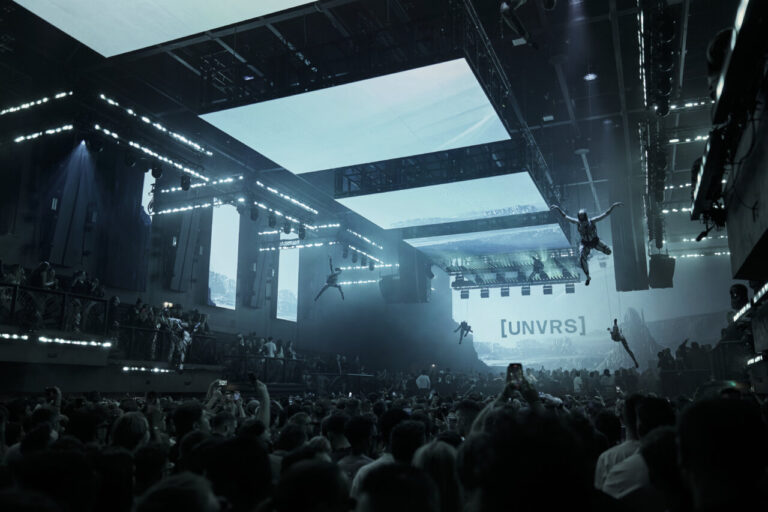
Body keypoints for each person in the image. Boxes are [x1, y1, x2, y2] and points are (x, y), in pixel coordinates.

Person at [550, 202, 623, 285]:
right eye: (580, 218)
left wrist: (613, 206)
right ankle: (588, 276)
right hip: (585, 244)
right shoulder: (578, 223)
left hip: (595, 241)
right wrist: (558, 209)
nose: (582, 221)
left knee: (608, 252)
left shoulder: (592, 221)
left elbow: (605, 214)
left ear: (585, 217)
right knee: (582, 258)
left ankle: (600, 251)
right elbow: (565, 217)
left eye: (583, 218)